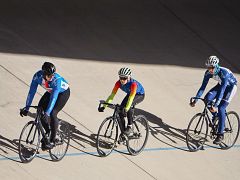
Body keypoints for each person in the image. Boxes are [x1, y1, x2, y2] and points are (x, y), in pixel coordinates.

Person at [20, 62, 70, 150]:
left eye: (52, 75)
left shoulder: (56, 81)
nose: (51, 77)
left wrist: (47, 113)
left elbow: (53, 99)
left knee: (53, 113)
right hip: (51, 91)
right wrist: (27, 108)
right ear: (43, 74)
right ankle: (48, 131)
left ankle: (52, 140)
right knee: (39, 110)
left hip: (63, 93)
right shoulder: (37, 77)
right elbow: (31, 92)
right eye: (49, 75)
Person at [190, 55, 237, 145]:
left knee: (221, 108)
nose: (210, 70)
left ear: (216, 66)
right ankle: (216, 116)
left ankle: (220, 134)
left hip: (230, 88)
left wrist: (215, 105)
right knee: (207, 99)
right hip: (221, 85)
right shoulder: (208, 73)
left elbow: (222, 90)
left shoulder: (224, 73)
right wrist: (195, 100)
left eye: (211, 68)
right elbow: (202, 88)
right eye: (208, 67)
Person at [98, 67, 145, 135]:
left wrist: (126, 109)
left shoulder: (133, 84)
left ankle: (130, 126)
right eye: (120, 77)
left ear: (129, 77)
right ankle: (123, 133)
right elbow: (112, 95)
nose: (122, 80)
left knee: (129, 106)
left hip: (139, 95)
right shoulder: (118, 83)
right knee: (120, 111)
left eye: (124, 78)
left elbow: (131, 98)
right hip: (130, 93)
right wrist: (104, 106)